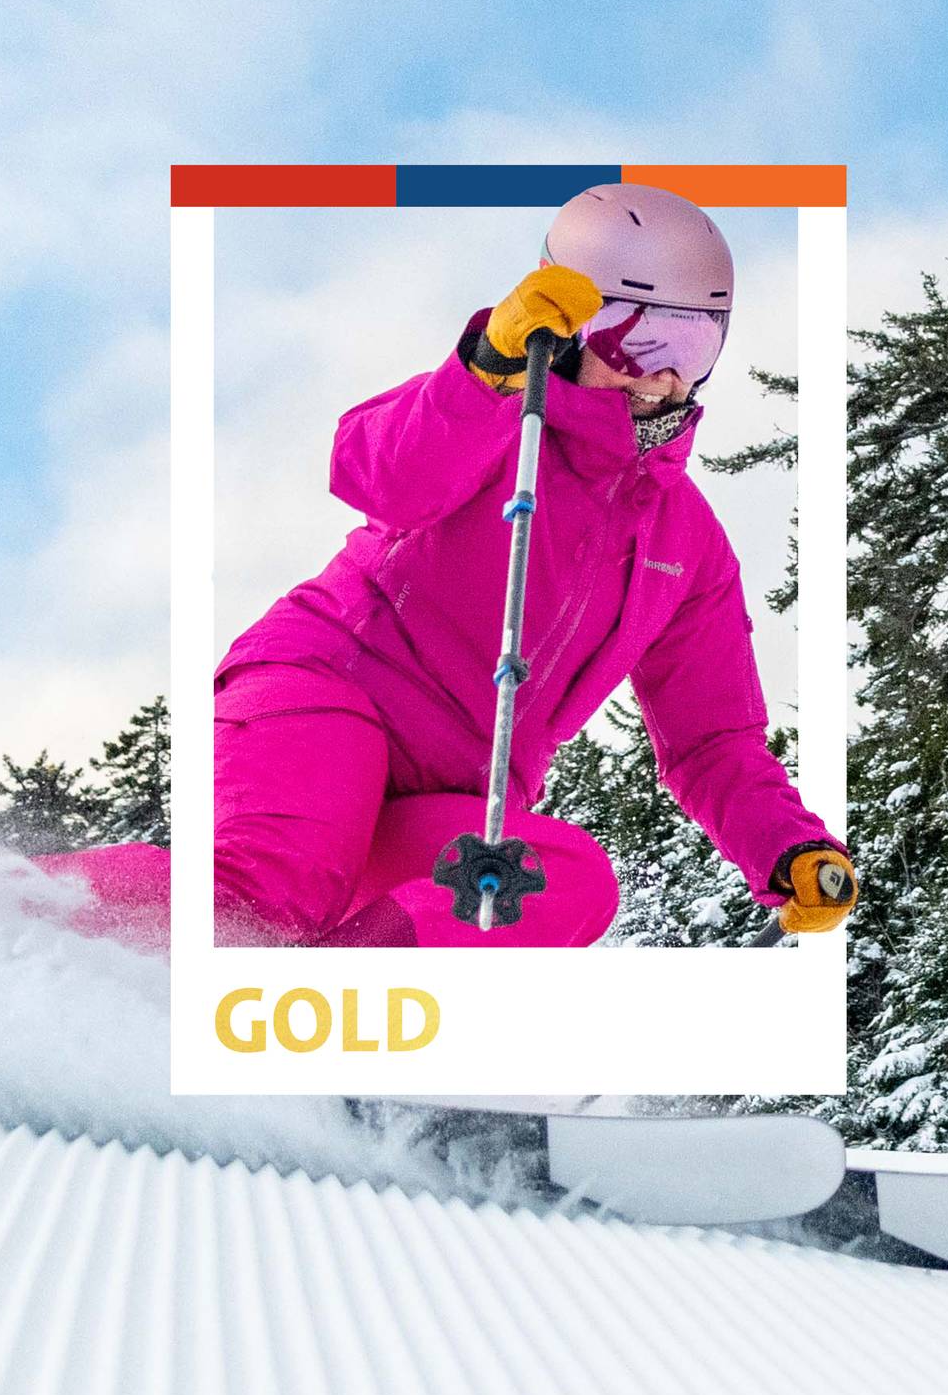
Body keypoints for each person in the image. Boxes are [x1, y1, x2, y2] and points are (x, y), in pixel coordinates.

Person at [203, 180, 858, 947]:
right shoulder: (493, 415)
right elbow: (375, 476)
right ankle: (44, 924)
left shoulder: (686, 544)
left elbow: (715, 740)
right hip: (331, 695)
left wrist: (787, 845)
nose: (661, 374)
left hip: (463, 789)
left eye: (692, 345)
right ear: (574, 327)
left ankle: (334, 1023)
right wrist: (485, 368)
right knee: (270, 893)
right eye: (632, 338)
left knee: (561, 881)